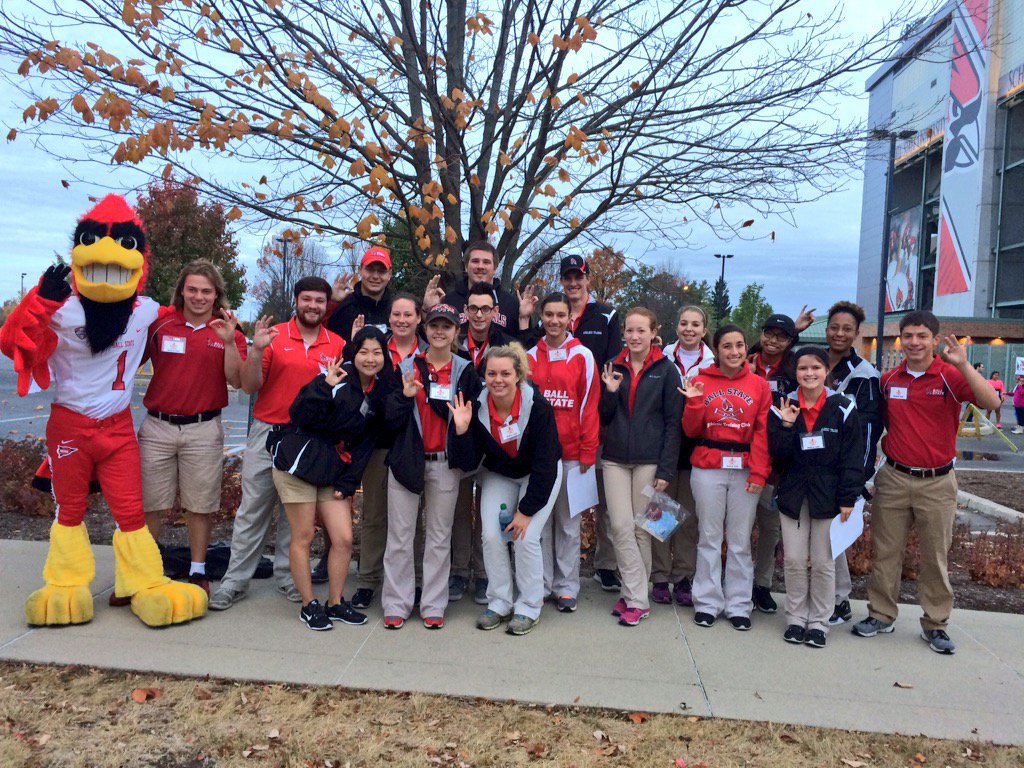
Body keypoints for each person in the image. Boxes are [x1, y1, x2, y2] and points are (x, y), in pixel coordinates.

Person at [852, 311, 1001, 654]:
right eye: (909, 336)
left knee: (935, 557)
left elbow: (992, 402)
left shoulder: (950, 375)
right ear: (900, 339)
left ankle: (935, 624)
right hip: (893, 477)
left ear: (935, 340)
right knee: (885, 553)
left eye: (922, 336)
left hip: (937, 481)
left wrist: (964, 365)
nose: (915, 342)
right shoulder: (889, 380)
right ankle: (881, 615)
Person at [209, 277, 345, 611]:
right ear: (296, 301)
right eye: (306, 299)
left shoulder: (337, 344)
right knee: (253, 508)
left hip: (310, 438)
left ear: (327, 305)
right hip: (269, 432)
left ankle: (288, 577)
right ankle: (235, 581)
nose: (312, 305)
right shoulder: (274, 336)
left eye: (319, 301)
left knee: (295, 516)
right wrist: (255, 350)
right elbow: (248, 385)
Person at [268, 328, 388, 630]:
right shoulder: (335, 377)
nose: (370, 359)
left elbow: (364, 444)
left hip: (332, 470)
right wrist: (323, 386)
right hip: (298, 463)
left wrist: (349, 481)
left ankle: (335, 602)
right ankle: (309, 605)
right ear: (353, 353)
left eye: (377, 352)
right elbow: (299, 413)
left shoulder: (376, 392)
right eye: (364, 352)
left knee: (344, 538)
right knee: (304, 535)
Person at [140, 260, 246, 595]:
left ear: (216, 294)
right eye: (193, 289)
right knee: (150, 503)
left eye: (206, 291)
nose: (199, 297)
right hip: (158, 427)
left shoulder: (228, 330)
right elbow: (128, 358)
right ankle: (142, 568)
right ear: (182, 290)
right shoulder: (159, 324)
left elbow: (237, 380)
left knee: (200, 504)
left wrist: (229, 342)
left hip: (203, 427)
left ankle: (198, 569)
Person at [449, 344, 563, 636]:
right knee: (490, 535)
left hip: (539, 477)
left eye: (505, 373)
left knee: (524, 537)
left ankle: (528, 607)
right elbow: (468, 462)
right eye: (491, 373)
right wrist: (462, 431)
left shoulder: (537, 407)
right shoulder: (476, 405)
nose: (497, 380)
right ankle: (499, 601)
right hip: (500, 474)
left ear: (518, 375)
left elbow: (546, 465)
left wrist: (525, 512)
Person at [381, 304, 480, 630]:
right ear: (425, 329)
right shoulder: (407, 367)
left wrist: (463, 429)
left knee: (439, 537)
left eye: (446, 326)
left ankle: (433, 605)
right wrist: (405, 396)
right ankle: (396, 603)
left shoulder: (465, 370)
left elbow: (473, 421)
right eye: (434, 325)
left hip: (444, 464)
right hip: (408, 460)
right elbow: (389, 420)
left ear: (456, 332)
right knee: (400, 536)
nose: (440, 331)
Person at [767, 346, 863, 648]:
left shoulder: (843, 407)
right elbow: (777, 457)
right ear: (795, 372)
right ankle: (795, 618)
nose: (809, 374)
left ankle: (820, 622)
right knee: (794, 560)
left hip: (830, 495)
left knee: (823, 562)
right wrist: (785, 424)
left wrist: (848, 497)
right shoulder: (783, 405)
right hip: (793, 493)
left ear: (826, 372)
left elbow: (853, 457)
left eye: (816, 368)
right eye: (803, 368)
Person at [682, 323, 772, 630]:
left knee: (739, 540)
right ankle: (707, 601)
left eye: (739, 345)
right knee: (708, 537)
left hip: (745, 468)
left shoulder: (759, 385)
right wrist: (694, 402)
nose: (735, 352)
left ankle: (738, 604)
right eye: (727, 346)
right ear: (716, 351)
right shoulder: (700, 379)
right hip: (708, 465)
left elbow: (762, 432)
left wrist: (759, 472)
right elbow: (690, 430)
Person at [598, 308, 682, 626]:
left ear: (653, 332)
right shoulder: (613, 367)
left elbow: (674, 424)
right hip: (615, 459)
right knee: (620, 526)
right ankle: (636, 595)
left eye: (641, 331)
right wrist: (609, 392)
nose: (634, 336)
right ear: (623, 332)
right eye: (629, 331)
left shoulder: (666, 369)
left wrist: (665, 470)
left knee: (642, 531)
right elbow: (604, 417)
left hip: (650, 461)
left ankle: (634, 596)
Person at [347, 292, 425, 610]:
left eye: (409, 314)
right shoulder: (377, 348)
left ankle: (416, 580)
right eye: (396, 314)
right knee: (375, 515)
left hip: (417, 444)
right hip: (379, 443)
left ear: (419, 317)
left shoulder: (429, 349)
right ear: (389, 317)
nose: (402, 320)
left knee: (414, 519)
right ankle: (368, 579)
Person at [526, 292, 600, 613]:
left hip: (572, 454)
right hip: (540, 456)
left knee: (569, 525)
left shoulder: (582, 355)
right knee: (539, 523)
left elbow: (589, 406)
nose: (554, 321)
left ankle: (567, 586)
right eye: (549, 314)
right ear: (540, 317)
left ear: (570, 317)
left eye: (560, 315)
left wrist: (587, 453)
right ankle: (541, 584)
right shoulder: (528, 356)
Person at [449, 282, 518, 604]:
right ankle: (459, 571)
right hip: (461, 437)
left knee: (489, 512)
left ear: (495, 312)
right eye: (472, 308)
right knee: (461, 510)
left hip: (494, 441)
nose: (478, 314)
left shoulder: (507, 346)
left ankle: (484, 573)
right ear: (465, 312)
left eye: (484, 309)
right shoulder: (451, 342)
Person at [559, 254, 624, 593]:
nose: (573, 283)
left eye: (578, 277)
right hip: (562, 425)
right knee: (566, 504)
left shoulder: (607, 315)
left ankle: (606, 564)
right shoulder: (553, 313)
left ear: (588, 279)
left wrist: (607, 412)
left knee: (607, 500)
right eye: (568, 277)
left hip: (600, 421)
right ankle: (563, 568)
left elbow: (613, 367)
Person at [823, 301, 881, 626]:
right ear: (827, 329)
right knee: (820, 537)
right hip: (810, 469)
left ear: (857, 333)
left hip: (844, 471)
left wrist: (857, 478)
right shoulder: (810, 364)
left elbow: (870, 430)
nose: (840, 333)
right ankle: (826, 596)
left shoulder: (864, 375)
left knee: (834, 537)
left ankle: (839, 600)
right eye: (835, 327)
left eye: (847, 329)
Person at [652, 305, 715, 607]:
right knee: (661, 513)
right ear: (676, 327)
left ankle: (683, 577)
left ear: (704, 330)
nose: (689, 329)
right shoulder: (662, 357)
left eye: (696, 324)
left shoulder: (713, 364)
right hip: (665, 445)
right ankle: (661, 576)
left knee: (687, 518)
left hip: (696, 447)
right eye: (683, 323)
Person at [746, 313, 800, 615]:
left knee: (769, 529)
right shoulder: (744, 359)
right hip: (743, 456)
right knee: (738, 527)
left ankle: (762, 584)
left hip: (776, 461)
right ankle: (737, 583)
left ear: (790, 341)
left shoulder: (794, 371)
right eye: (769, 333)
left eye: (781, 336)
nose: (773, 340)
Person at [422, 241, 522, 330]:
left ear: (495, 268)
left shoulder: (511, 303)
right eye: (475, 261)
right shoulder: (448, 301)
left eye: (486, 262)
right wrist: (428, 310)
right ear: (466, 266)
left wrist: (525, 318)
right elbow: (431, 339)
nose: (480, 266)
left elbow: (524, 344)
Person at [327, 245, 393, 342]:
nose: (375, 276)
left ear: (389, 274)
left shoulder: (397, 309)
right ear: (360, 270)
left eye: (381, 271)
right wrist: (331, 303)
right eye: (370, 269)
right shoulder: (344, 308)